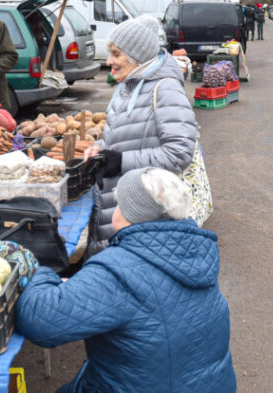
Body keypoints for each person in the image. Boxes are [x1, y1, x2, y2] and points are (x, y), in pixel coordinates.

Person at [16, 167, 236, 393]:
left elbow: (39, 321)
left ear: (131, 212)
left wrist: (40, 272)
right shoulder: (197, 252)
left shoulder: (117, 267)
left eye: (121, 202)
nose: (115, 208)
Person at [81, 15, 199, 250]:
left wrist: (120, 161)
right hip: (118, 204)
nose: (108, 62)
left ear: (136, 57)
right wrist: (102, 150)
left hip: (143, 214)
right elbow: (121, 136)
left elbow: (179, 153)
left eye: (116, 54)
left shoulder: (165, 89)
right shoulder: (128, 86)